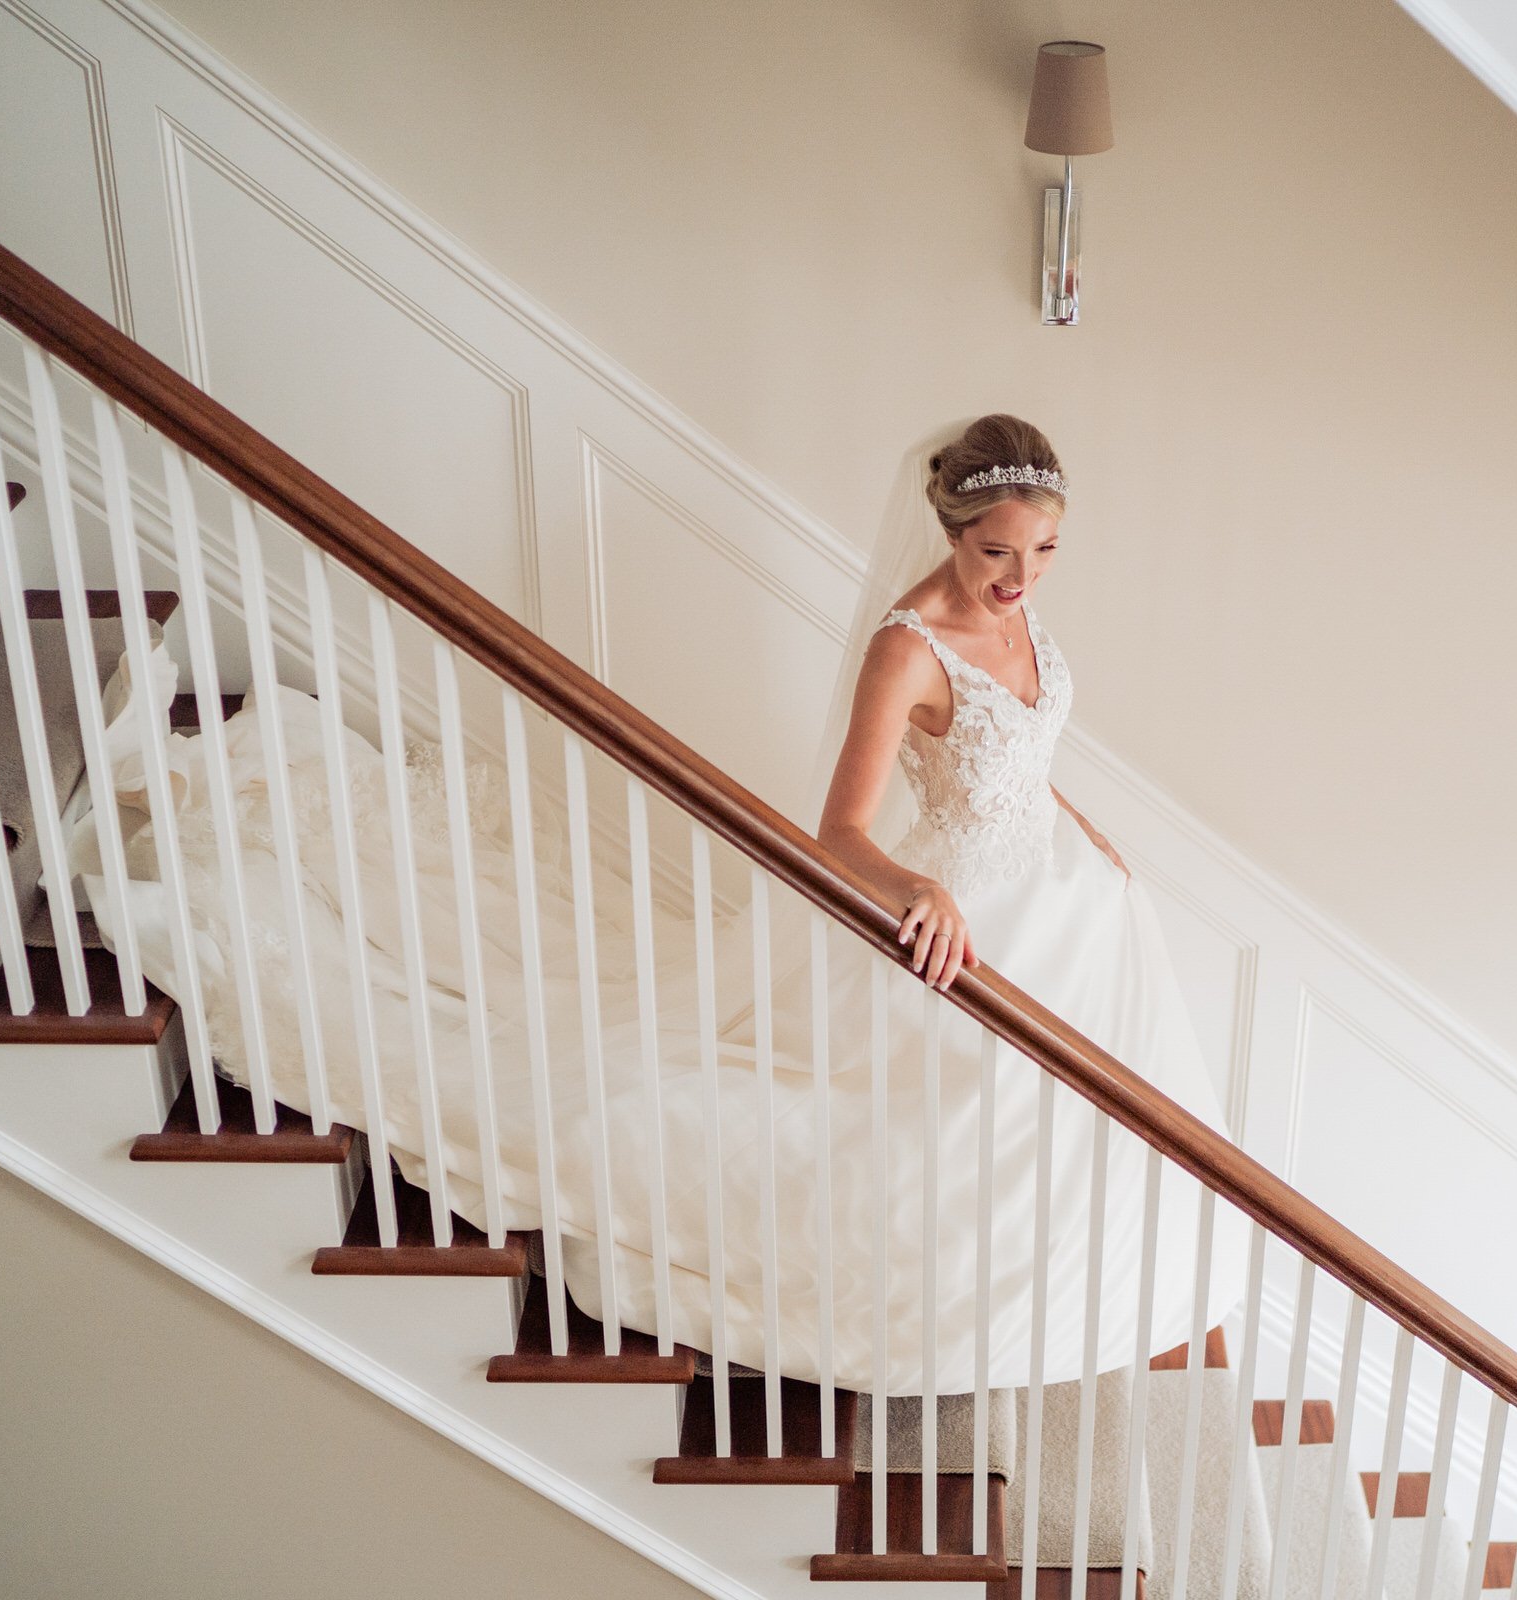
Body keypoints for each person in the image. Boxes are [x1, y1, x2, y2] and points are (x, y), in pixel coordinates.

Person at [87, 412, 1235, 1391]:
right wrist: (916, 885)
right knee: (936, 1135)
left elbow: (1022, 746)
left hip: (1067, 899)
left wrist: (1084, 829)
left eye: (1044, 550)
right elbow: (836, 834)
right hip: (969, 912)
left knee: (1100, 1121)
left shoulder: (1022, 607)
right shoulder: (908, 648)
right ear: (950, 528)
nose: (1022, 577)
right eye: (998, 550)